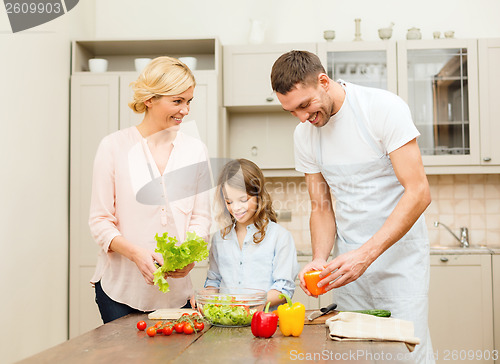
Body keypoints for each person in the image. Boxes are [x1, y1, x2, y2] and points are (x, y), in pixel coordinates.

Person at [270, 50, 434, 363]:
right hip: (347, 271)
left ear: (323, 81)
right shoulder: (305, 135)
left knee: (403, 354)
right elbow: (321, 207)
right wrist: (319, 259)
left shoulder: (382, 109)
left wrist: (365, 255)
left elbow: (418, 192)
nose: (303, 117)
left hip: (399, 266)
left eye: (305, 105)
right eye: (291, 111)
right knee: (355, 355)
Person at [89, 56, 211, 323]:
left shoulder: (195, 150)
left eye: (189, 101)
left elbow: (201, 218)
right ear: (149, 100)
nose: (185, 110)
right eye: (177, 101)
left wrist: (189, 257)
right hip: (120, 292)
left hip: (176, 295)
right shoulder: (113, 147)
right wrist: (136, 254)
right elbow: (99, 221)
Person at [205, 158, 299, 307]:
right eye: (229, 202)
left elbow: (283, 289)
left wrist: (250, 303)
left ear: (258, 194)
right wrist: (205, 298)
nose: (236, 208)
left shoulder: (280, 237)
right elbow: (214, 282)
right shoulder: (219, 238)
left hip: (266, 323)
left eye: (243, 200)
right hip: (227, 323)